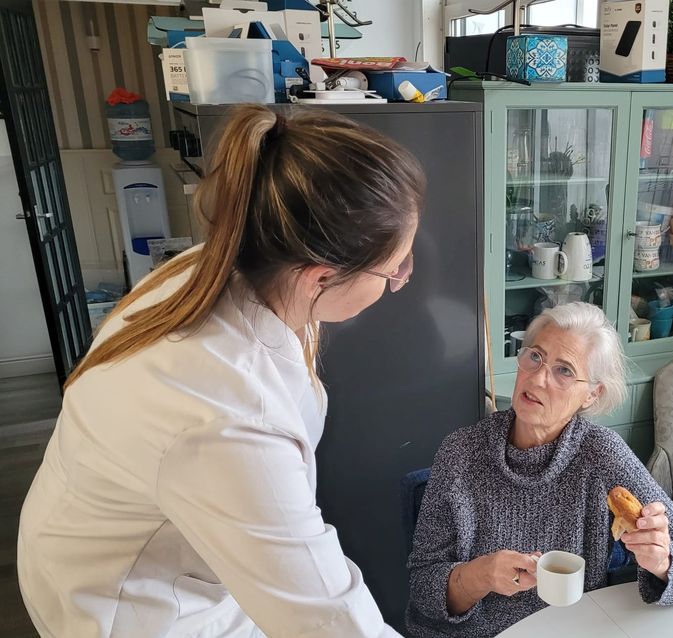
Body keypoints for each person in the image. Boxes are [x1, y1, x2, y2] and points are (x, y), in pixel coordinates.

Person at [18, 105, 424, 638]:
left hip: (140, 546)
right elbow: (329, 620)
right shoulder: (226, 418)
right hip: (134, 604)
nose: (401, 278)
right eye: (395, 269)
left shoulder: (229, 264)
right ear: (319, 277)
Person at [406, 302, 673, 638]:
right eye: (535, 357)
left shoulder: (601, 454)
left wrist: (662, 562)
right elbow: (422, 588)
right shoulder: (461, 453)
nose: (539, 378)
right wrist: (478, 576)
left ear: (592, 394)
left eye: (564, 370)